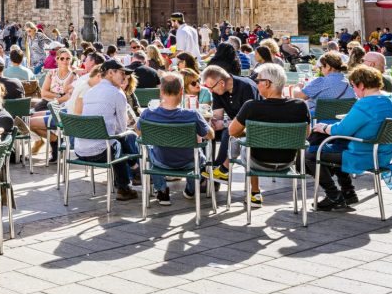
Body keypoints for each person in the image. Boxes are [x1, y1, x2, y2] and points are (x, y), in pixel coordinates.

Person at [307, 64, 392, 210]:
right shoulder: (388, 100)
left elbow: (342, 129)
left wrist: (323, 127)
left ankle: (334, 196)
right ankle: (348, 192)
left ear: (361, 85)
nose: (354, 91)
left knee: (310, 155)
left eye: (354, 87)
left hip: (364, 155)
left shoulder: (366, 103)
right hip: (382, 154)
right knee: (335, 147)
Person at [228, 63, 310, 206]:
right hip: (288, 161)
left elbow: (232, 131)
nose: (256, 84)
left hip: (258, 162)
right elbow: (305, 134)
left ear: (266, 83)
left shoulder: (251, 106)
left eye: (258, 81)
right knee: (250, 141)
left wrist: (253, 133)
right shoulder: (300, 105)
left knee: (244, 143)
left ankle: (254, 192)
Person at [71, 59, 139, 202]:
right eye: (121, 73)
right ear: (110, 73)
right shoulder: (117, 93)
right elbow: (121, 129)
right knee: (124, 138)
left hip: (80, 150)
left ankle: (132, 172)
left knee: (114, 141)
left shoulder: (90, 92)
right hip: (101, 152)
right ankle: (126, 183)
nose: (124, 77)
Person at [137, 72, 209, 205]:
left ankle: (162, 190)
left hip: (161, 161)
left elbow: (139, 133)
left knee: (147, 148)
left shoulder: (148, 114)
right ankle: (191, 190)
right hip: (189, 162)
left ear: (161, 91)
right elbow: (210, 135)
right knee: (199, 154)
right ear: (182, 91)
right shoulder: (193, 115)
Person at [201, 65, 258, 182]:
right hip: (234, 125)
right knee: (206, 131)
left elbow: (250, 120)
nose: (210, 90)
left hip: (252, 128)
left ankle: (219, 169)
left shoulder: (246, 87)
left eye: (211, 87)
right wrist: (212, 123)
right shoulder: (218, 91)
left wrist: (224, 124)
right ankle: (205, 167)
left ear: (221, 83)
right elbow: (218, 116)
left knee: (228, 132)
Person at [294, 51, 354, 120]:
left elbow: (298, 97)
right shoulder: (349, 82)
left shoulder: (321, 82)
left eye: (321, 67)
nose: (320, 70)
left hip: (317, 121)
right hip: (341, 122)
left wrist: (297, 87)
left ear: (328, 67)